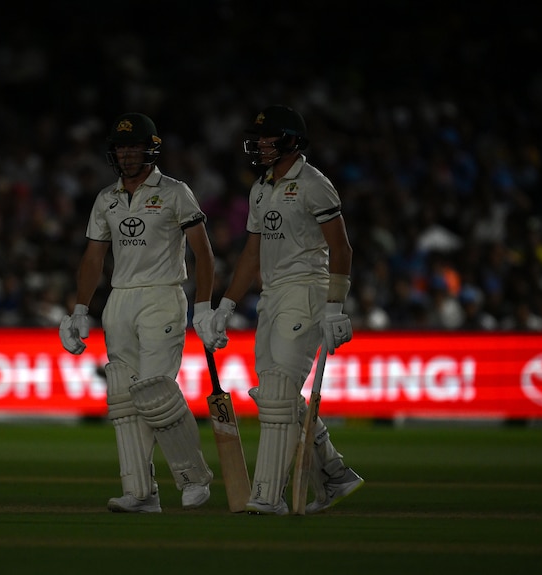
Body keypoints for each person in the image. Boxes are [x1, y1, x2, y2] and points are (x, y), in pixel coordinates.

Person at [59, 112, 220, 513]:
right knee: (124, 398)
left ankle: (193, 477)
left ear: (150, 149)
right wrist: (79, 310)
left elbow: (203, 253)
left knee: (155, 391)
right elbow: (93, 257)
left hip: (162, 295)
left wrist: (203, 307)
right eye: (120, 148)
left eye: (133, 147)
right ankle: (141, 492)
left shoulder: (175, 192)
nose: (127, 155)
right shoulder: (106, 198)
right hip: (120, 300)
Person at [210, 105, 364, 515]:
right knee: (275, 396)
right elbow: (252, 253)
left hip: (307, 291)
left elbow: (342, 248)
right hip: (272, 295)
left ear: (292, 141)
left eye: (269, 137)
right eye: (258, 137)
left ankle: (268, 495)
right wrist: (226, 305)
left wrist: (335, 307)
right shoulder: (260, 188)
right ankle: (334, 474)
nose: (260, 144)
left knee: (278, 391)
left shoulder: (314, 184)